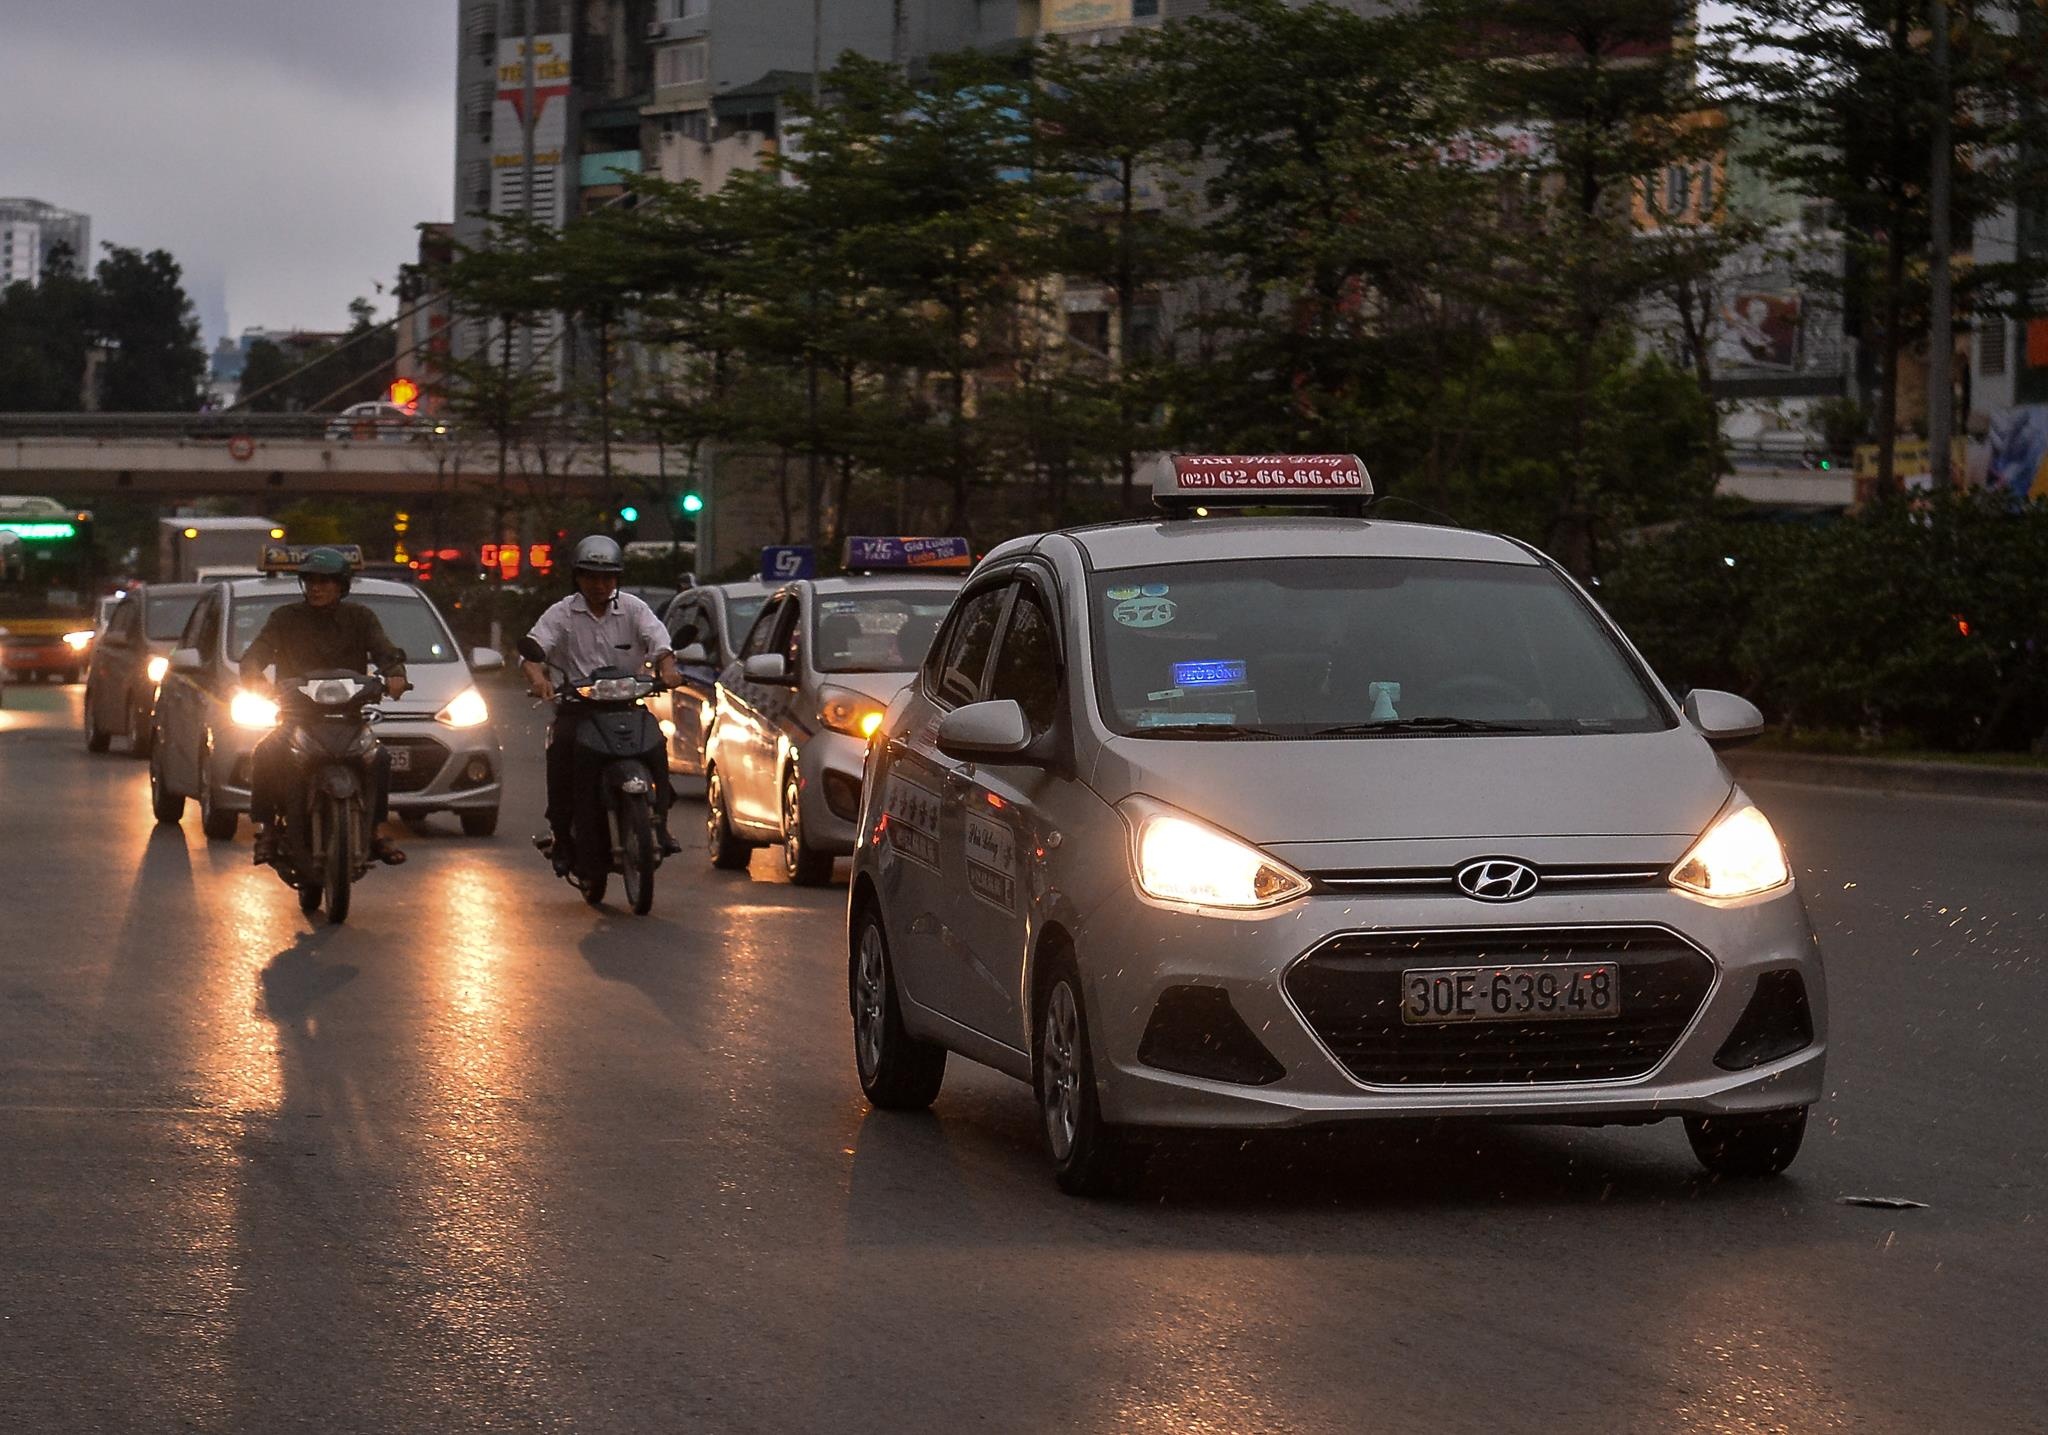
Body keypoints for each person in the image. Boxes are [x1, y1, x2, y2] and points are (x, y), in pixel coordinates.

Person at [241, 548, 411, 867]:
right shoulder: (284, 619)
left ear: (341, 585)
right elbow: (255, 656)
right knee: (265, 753)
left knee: (380, 759)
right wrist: (254, 679)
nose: (316, 588)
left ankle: (374, 831)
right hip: (296, 717)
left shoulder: (360, 617)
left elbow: (385, 651)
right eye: (311, 581)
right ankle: (268, 830)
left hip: (348, 717)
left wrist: (395, 675)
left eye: (325, 581)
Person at [523, 535, 684, 870]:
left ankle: (661, 824)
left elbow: (661, 644)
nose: (599, 585)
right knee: (561, 750)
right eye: (591, 577)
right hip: (578, 709)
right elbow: (532, 652)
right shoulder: (562, 613)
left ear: (617, 579)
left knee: (656, 744)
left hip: (628, 706)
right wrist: (539, 679)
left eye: (607, 578)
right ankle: (562, 837)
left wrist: (668, 670)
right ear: (578, 578)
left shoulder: (635, 609)